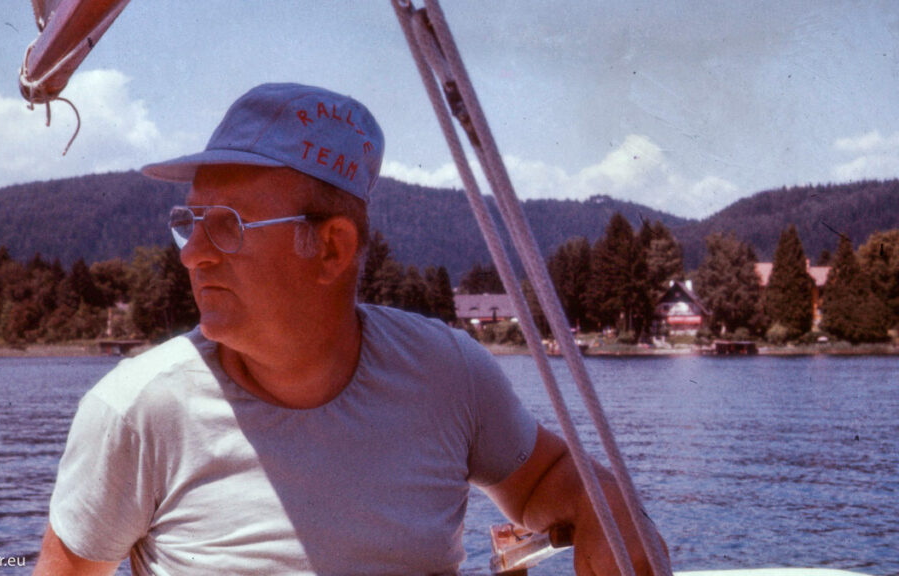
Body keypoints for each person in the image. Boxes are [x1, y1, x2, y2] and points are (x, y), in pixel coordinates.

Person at [33, 82, 666, 576]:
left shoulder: (448, 373)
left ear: (333, 249)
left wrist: (607, 506)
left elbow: (544, 477)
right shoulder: (135, 410)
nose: (191, 253)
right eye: (188, 221)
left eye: (224, 224)